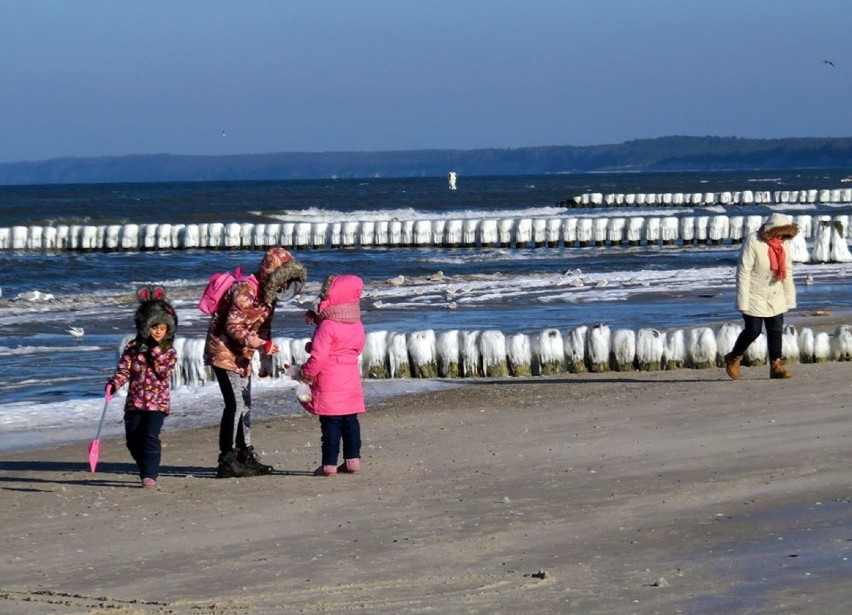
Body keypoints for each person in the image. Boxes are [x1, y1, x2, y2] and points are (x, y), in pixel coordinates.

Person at [204, 247, 306, 478]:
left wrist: (265, 358)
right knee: (235, 405)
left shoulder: (270, 296)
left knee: (246, 404)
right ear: (273, 275)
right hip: (223, 351)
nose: (284, 288)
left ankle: (244, 454)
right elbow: (232, 326)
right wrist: (258, 344)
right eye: (283, 281)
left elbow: (264, 328)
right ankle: (226, 459)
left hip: (243, 355)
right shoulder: (245, 289)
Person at [106, 287, 178, 489]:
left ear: (168, 329)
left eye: (162, 328)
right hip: (135, 402)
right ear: (145, 326)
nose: (157, 332)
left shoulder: (168, 351)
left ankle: (149, 474)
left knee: (150, 436)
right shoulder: (132, 348)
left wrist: (155, 350)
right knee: (132, 439)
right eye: (154, 327)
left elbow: (164, 372)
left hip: (157, 403)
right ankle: (145, 465)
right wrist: (114, 384)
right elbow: (124, 370)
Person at [298, 274, 366, 477]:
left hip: (329, 382)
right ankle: (353, 461)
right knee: (351, 422)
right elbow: (357, 348)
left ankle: (329, 464)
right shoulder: (356, 324)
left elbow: (319, 357)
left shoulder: (327, 326)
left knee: (330, 425)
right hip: (350, 381)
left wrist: (305, 373)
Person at [724, 212, 798, 380]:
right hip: (753, 294)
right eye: (779, 232)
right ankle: (734, 358)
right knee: (753, 330)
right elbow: (743, 271)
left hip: (775, 293)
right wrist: (742, 300)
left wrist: (789, 297)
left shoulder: (784, 244)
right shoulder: (753, 241)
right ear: (771, 230)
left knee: (775, 330)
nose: (781, 237)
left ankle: (776, 366)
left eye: (785, 234)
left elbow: (787, 270)